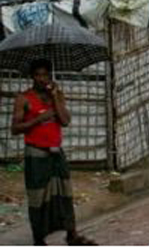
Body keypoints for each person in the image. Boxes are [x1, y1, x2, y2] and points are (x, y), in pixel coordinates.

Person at [11, 59, 97, 246]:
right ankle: (39, 239)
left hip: (57, 153)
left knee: (64, 194)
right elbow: (15, 128)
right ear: (32, 77)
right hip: (36, 154)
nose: (42, 79)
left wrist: (56, 98)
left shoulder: (56, 95)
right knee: (38, 197)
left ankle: (71, 235)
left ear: (50, 76)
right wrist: (38, 119)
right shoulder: (24, 98)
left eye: (45, 75)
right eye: (38, 75)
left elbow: (65, 120)